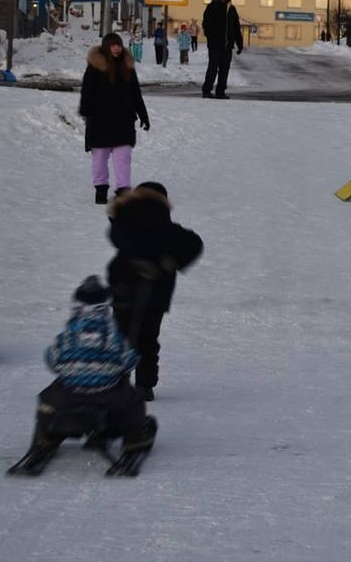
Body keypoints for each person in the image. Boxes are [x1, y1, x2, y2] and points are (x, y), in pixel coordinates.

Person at [11, 276, 156, 473]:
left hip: (68, 395)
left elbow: (52, 359)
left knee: (46, 397)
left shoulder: (69, 334)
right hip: (106, 396)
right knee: (134, 400)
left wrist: (73, 368)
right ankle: (134, 439)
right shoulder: (113, 334)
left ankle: (45, 436)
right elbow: (129, 359)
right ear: (106, 306)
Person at [107, 182, 205, 401]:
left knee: (121, 337)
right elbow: (195, 242)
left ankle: (117, 381)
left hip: (124, 287)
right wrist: (171, 262)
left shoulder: (123, 221)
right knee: (147, 339)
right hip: (156, 292)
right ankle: (144, 385)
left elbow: (117, 233)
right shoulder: (170, 230)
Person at [80, 33, 149, 204]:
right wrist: (87, 115)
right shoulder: (95, 67)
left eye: (119, 45)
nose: (117, 48)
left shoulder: (127, 67)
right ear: (106, 47)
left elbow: (135, 93)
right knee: (100, 157)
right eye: (113, 45)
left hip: (123, 121)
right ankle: (101, 189)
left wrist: (143, 114)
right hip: (100, 121)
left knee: (123, 158)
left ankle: (123, 190)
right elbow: (87, 93)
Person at [202, 0, 244, 99]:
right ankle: (207, 90)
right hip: (215, 45)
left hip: (227, 46)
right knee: (213, 68)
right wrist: (211, 38)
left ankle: (220, 91)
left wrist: (239, 43)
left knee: (224, 69)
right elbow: (206, 24)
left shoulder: (232, 9)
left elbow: (236, 27)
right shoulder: (212, 6)